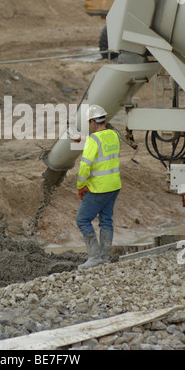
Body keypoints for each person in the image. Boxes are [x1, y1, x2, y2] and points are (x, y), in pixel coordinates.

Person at [76, 104, 121, 270]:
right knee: (106, 221)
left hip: (98, 189)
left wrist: (81, 186)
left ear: (93, 122)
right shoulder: (114, 135)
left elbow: (84, 168)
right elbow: (106, 153)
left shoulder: (93, 140)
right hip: (114, 185)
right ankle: (105, 257)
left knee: (82, 219)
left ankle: (94, 257)